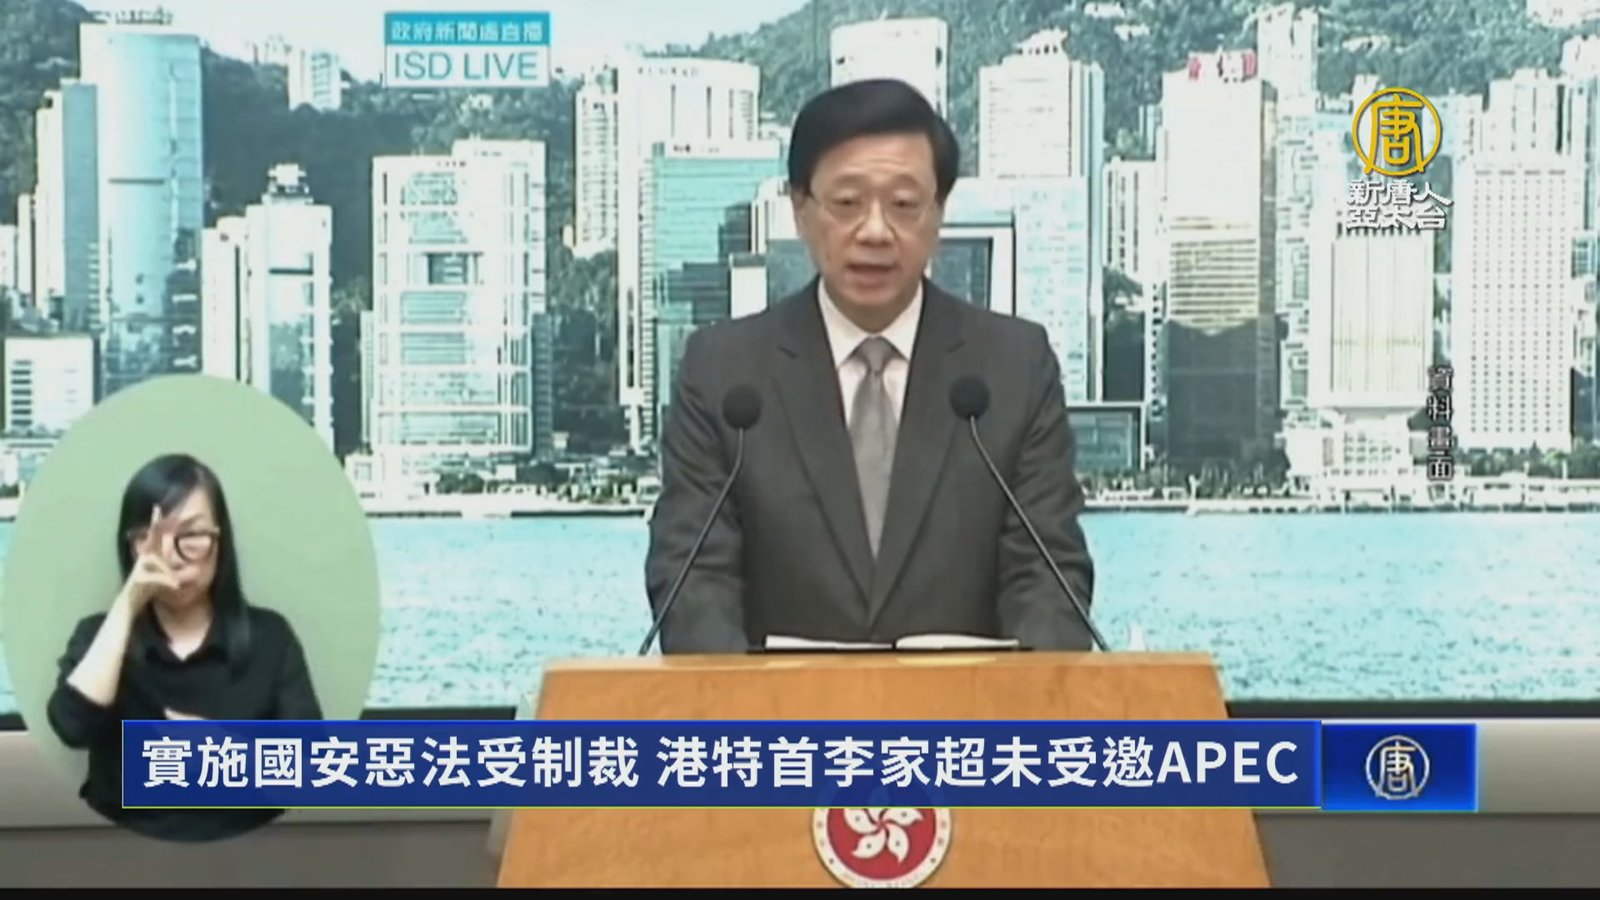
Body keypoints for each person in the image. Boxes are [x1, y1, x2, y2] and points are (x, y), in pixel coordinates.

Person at [645, 78, 1096, 653]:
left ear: (939, 212)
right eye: (847, 203)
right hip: (780, 711)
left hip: (969, 710)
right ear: (800, 208)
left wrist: (1039, 691)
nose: (876, 231)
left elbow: (1047, 578)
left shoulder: (1013, 367)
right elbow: (695, 582)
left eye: (904, 205)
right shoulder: (724, 375)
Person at [45, 452, 323, 842]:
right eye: (151, 539)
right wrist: (128, 603)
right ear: (130, 546)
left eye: (191, 537)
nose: (173, 558)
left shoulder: (270, 638)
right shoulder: (100, 637)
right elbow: (72, 727)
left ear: (220, 540)